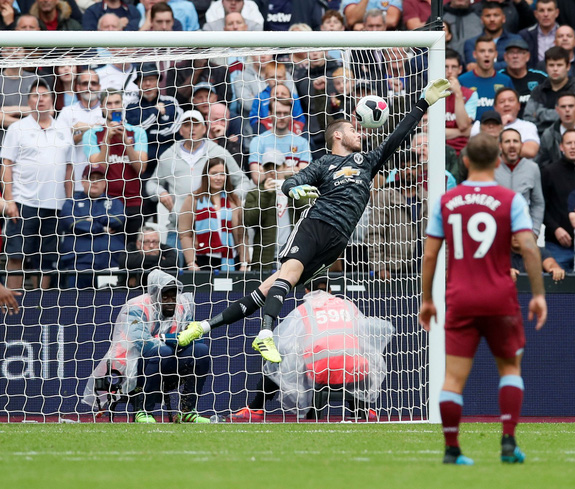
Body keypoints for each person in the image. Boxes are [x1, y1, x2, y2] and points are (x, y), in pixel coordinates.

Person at [175, 79, 452, 363]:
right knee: (289, 275)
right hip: (315, 225)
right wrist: (291, 187)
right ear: (337, 137)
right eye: (352, 130)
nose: (360, 134)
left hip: (338, 242)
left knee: (267, 290)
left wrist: (423, 103)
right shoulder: (323, 163)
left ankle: (202, 326)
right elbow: (294, 180)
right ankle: (265, 334)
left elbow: (397, 138)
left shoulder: (366, 162)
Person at [418, 133, 547, 465]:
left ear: (464, 161)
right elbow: (529, 248)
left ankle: (451, 449)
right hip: (500, 298)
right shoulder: (510, 200)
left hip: (459, 298)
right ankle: (507, 442)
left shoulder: (446, 201)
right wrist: (537, 294)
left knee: (453, 378)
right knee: (509, 368)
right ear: (498, 161)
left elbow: (430, 256)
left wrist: (427, 300)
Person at [233, 276, 393, 421]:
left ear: (307, 291)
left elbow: (282, 343)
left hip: (320, 371)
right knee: (360, 356)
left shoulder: (304, 309)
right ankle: (363, 407)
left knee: (276, 358)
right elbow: (364, 336)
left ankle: (256, 408)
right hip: (356, 372)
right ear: (330, 291)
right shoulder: (347, 305)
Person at [82, 270, 211, 423]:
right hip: (133, 368)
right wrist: (170, 338)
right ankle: (143, 410)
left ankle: (187, 411)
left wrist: (187, 336)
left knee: (201, 351)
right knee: (161, 351)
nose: (170, 301)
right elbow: (143, 343)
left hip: (169, 366)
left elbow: (194, 339)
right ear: (156, 295)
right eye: (165, 296)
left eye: (173, 296)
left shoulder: (183, 307)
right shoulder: (136, 308)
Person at [1, 80, 73, 290]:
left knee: (47, 260)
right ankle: (11, 305)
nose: (40, 99)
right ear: (29, 101)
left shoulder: (63, 128)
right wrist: (9, 199)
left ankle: (42, 305)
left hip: (55, 205)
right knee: (17, 256)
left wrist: (68, 201)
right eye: (35, 95)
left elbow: (69, 168)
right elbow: (6, 164)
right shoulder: (17, 128)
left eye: (44, 95)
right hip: (24, 203)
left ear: (52, 100)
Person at [148, 110, 247, 254]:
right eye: (187, 125)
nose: (192, 129)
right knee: (174, 272)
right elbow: (151, 183)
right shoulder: (168, 155)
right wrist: (160, 192)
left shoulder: (218, 152)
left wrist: (232, 199)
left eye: (196, 124)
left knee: (212, 274)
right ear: (181, 130)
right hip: (177, 229)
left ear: (204, 128)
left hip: (213, 228)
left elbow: (243, 181)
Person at [83, 88, 148, 243]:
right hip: (106, 203)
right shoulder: (92, 134)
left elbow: (141, 168)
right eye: (109, 103)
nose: (113, 107)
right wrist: (107, 139)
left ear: (122, 105)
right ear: (102, 107)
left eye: (117, 102)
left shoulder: (137, 132)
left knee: (131, 254)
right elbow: (98, 168)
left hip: (133, 202)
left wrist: (126, 142)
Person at [58, 163, 126, 287]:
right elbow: (73, 223)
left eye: (99, 179)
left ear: (105, 183)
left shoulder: (115, 202)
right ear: (83, 181)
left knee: (109, 303)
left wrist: (91, 219)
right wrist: (102, 227)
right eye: (90, 178)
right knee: (75, 302)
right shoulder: (71, 203)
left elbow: (118, 220)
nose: (94, 182)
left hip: (110, 263)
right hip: (78, 263)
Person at [178, 158, 246, 272]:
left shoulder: (234, 199)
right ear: (206, 175)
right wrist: (191, 262)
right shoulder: (193, 199)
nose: (219, 178)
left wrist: (244, 263)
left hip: (231, 259)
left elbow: (241, 235)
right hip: (202, 259)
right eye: (214, 174)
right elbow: (185, 234)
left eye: (222, 174)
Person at [367, 152, 425, 279]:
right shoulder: (385, 197)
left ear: (420, 169)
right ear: (398, 171)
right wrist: (379, 266)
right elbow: (375, 233)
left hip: (422, 269)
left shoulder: (426, 198)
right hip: (393, 269)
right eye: (405, 167)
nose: (410, 171)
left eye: (414, 167)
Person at [540, 128, 575, 271]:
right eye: (568, 143)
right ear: (561, 147)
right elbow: (541, 206)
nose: (572, 147)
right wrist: (555, 229)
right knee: (558, 291)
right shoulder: (549, 171)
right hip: (556, 245)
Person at [55, 69, 104, 192]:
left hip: (104, 183)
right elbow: (58, 145)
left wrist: (86, 128)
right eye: (85, 83)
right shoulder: (66, 112)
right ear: (77, 87)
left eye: (93, 83)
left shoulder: (109, 110)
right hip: (75, 182)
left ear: (99, 87)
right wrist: (84, 132)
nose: (89, 87)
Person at [524, 46, 575, 133]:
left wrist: (540, 113)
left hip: (571, 137)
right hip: (542, 139)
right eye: (551, 65)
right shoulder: (539, 90)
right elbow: (528, 119)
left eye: (559, 65)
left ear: (568, 66)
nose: (555, 69)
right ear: (546, 67)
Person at [495, 128, 545, 236]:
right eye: (507, 141)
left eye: (515, 141)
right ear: (500, 146)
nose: (512, 145)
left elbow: (538, 203)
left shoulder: (532, 168)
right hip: (496, 233)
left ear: (521, 145)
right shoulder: (490, 168)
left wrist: (534, 232)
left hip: (522, 232)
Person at [458, 36, 515, 121]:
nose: (487, 55)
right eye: (482, 51)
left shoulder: (505, 80)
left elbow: (513, 109)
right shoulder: (462, 81)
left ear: (495, 54)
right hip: (471, 132)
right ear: (474, 54)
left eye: (490, 51)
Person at [462, 1, 525, 72]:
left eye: (496, 15)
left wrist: (484, 65)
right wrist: (506, 63)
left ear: (503, 18)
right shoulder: (471, 43)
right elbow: (472, 67)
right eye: (488, 16)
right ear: (482, 20)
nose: (492, 19)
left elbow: (518, 63)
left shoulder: (516, 40)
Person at [499, 37, 548, 117]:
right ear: (505, 57)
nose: (515, 56)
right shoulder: (499, 78)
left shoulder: (540, 77)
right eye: (511, 52)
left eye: (520, 52)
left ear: (527, 56)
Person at [444, 48, 478, 154]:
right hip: (436, 147)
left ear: (460, 69)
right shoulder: (429, 91)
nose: (449, 71)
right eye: (445, 66)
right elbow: (429, 130)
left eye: (453, 67)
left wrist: (458, 94)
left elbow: (463, 125)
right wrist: (462, 132)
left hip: (463, 150)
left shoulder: (470, 94)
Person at [518, 0, 561, 68]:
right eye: (541, 10)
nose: (546, 14)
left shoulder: (568, 34)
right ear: (535, 14)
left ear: (556, 13)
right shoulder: (525, 35)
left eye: (549, 10)